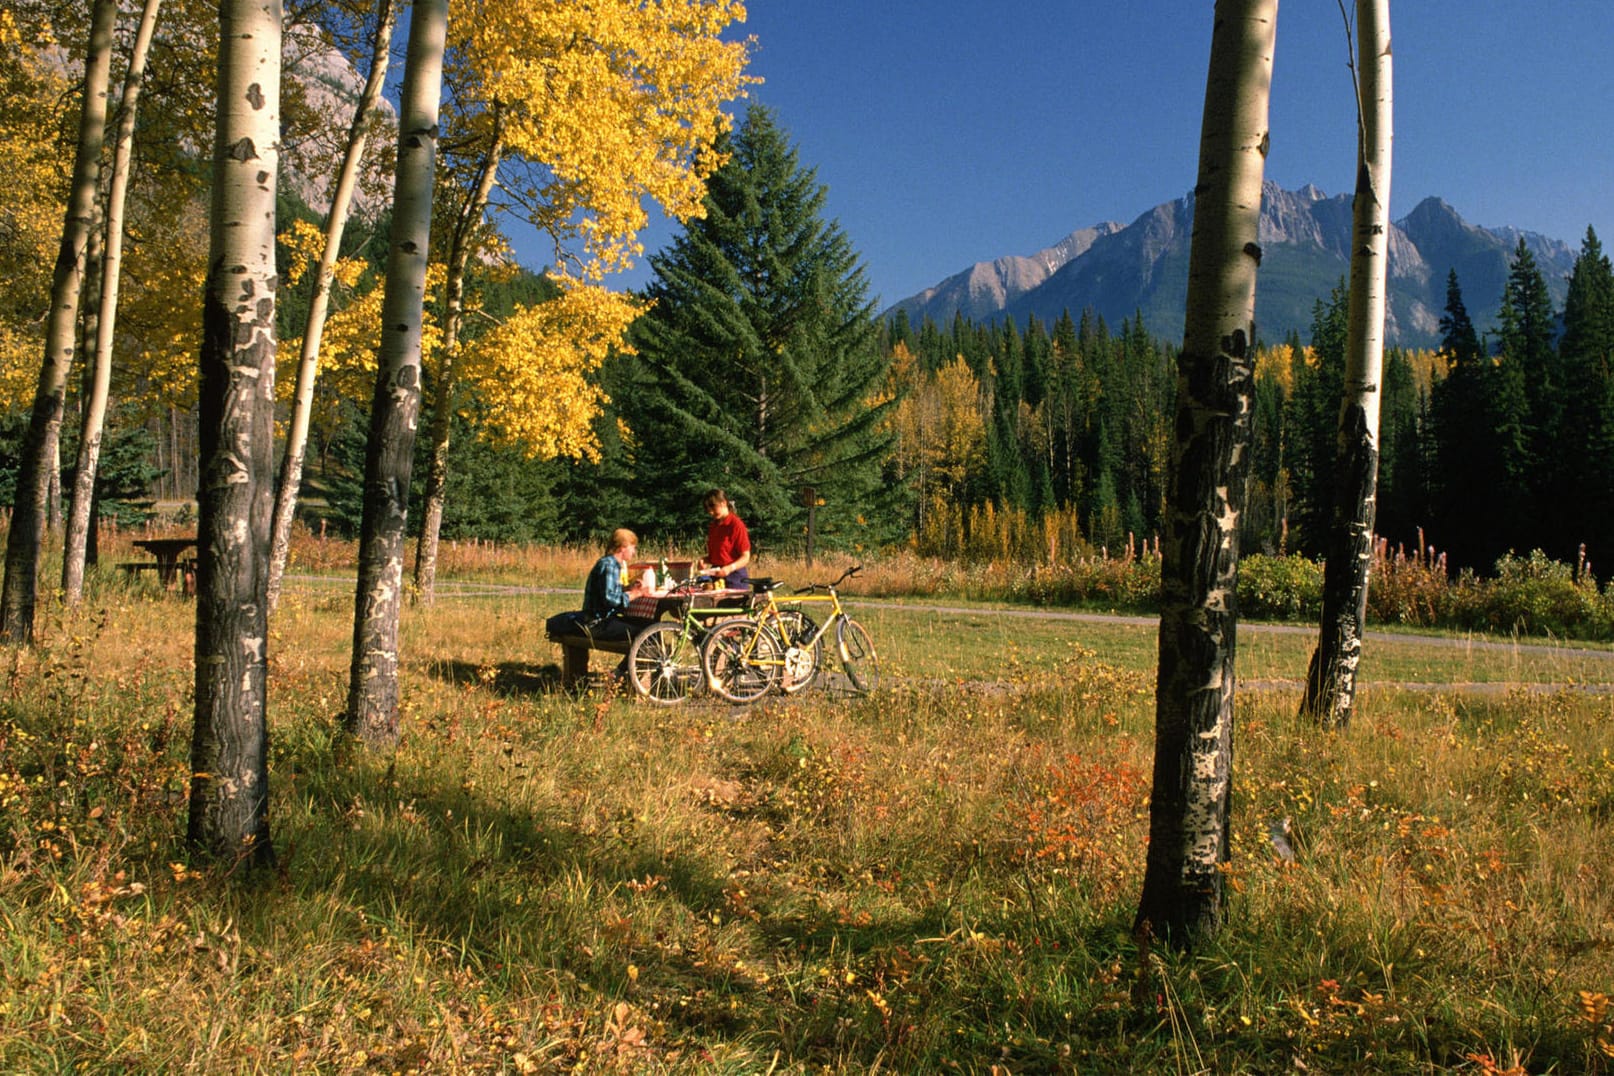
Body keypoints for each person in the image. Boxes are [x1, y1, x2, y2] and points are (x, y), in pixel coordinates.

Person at [696, 488, 750, 593]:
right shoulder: (713, 526)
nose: (711, 512)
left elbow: (745, 557)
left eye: (713, 507)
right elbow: (717, 556)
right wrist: (704, 560)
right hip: (716, 577)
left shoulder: (736, 525)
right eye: (708, 509)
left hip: (735, 578)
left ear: (724, 503)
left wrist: (729, 568)